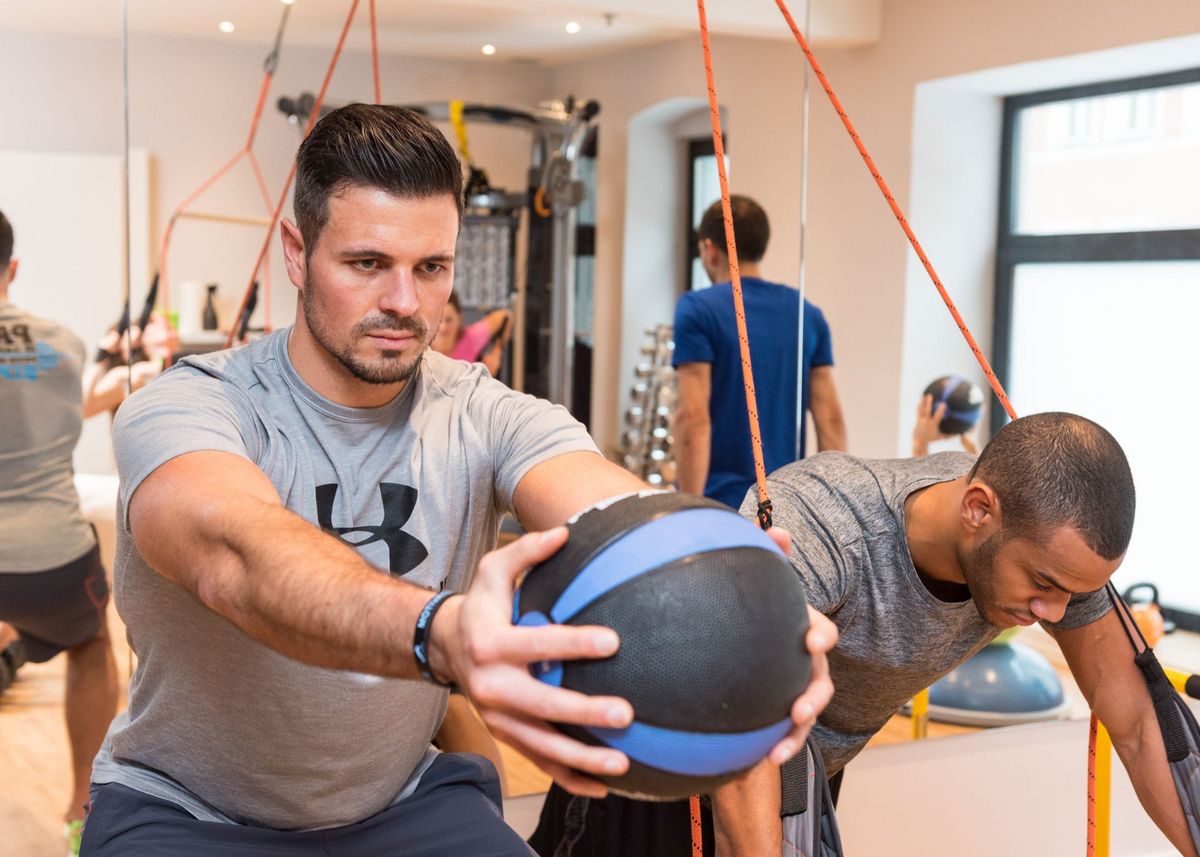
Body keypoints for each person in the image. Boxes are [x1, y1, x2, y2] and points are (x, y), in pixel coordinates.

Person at [79, 104, 834, 856]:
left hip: (401, 804)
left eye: (431, 267)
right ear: (295, 250)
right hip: (185, 812)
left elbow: (609, 507)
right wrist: (438, 631)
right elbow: (234, 556)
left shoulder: (482, 411)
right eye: (367, 264)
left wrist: (733, 595)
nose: (406, 303)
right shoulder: (189, 404)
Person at [706, 411, 1194, 856]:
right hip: (679, 765)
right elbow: (741, 729)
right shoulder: (821, 528)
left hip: (805, 776)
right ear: (978, 510)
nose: (1055, 611)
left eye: (1074, 592)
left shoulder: (1044, 541)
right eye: (1044, 584)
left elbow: (1140, 723)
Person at [0, 209, 120, 855]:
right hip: (51, 558)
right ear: (12, 269)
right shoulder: (64, 342)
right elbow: (59, 411)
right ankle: (82, 812)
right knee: (93, 638)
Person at [672, 195, 847, 509]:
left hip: (721, 505)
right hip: (786, 505)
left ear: (710, 250)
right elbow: (830, 419)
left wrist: (690, 510)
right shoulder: (807, 312)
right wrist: (829, 509)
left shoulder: (697, 309)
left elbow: (693, 421)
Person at [431, 290, 512, 377]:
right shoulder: (420, 348)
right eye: (439, 320)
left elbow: (505, 316)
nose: (443, 328)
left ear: (459, 318)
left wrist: (496, 353)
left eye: (449, 320)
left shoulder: (470, 339)